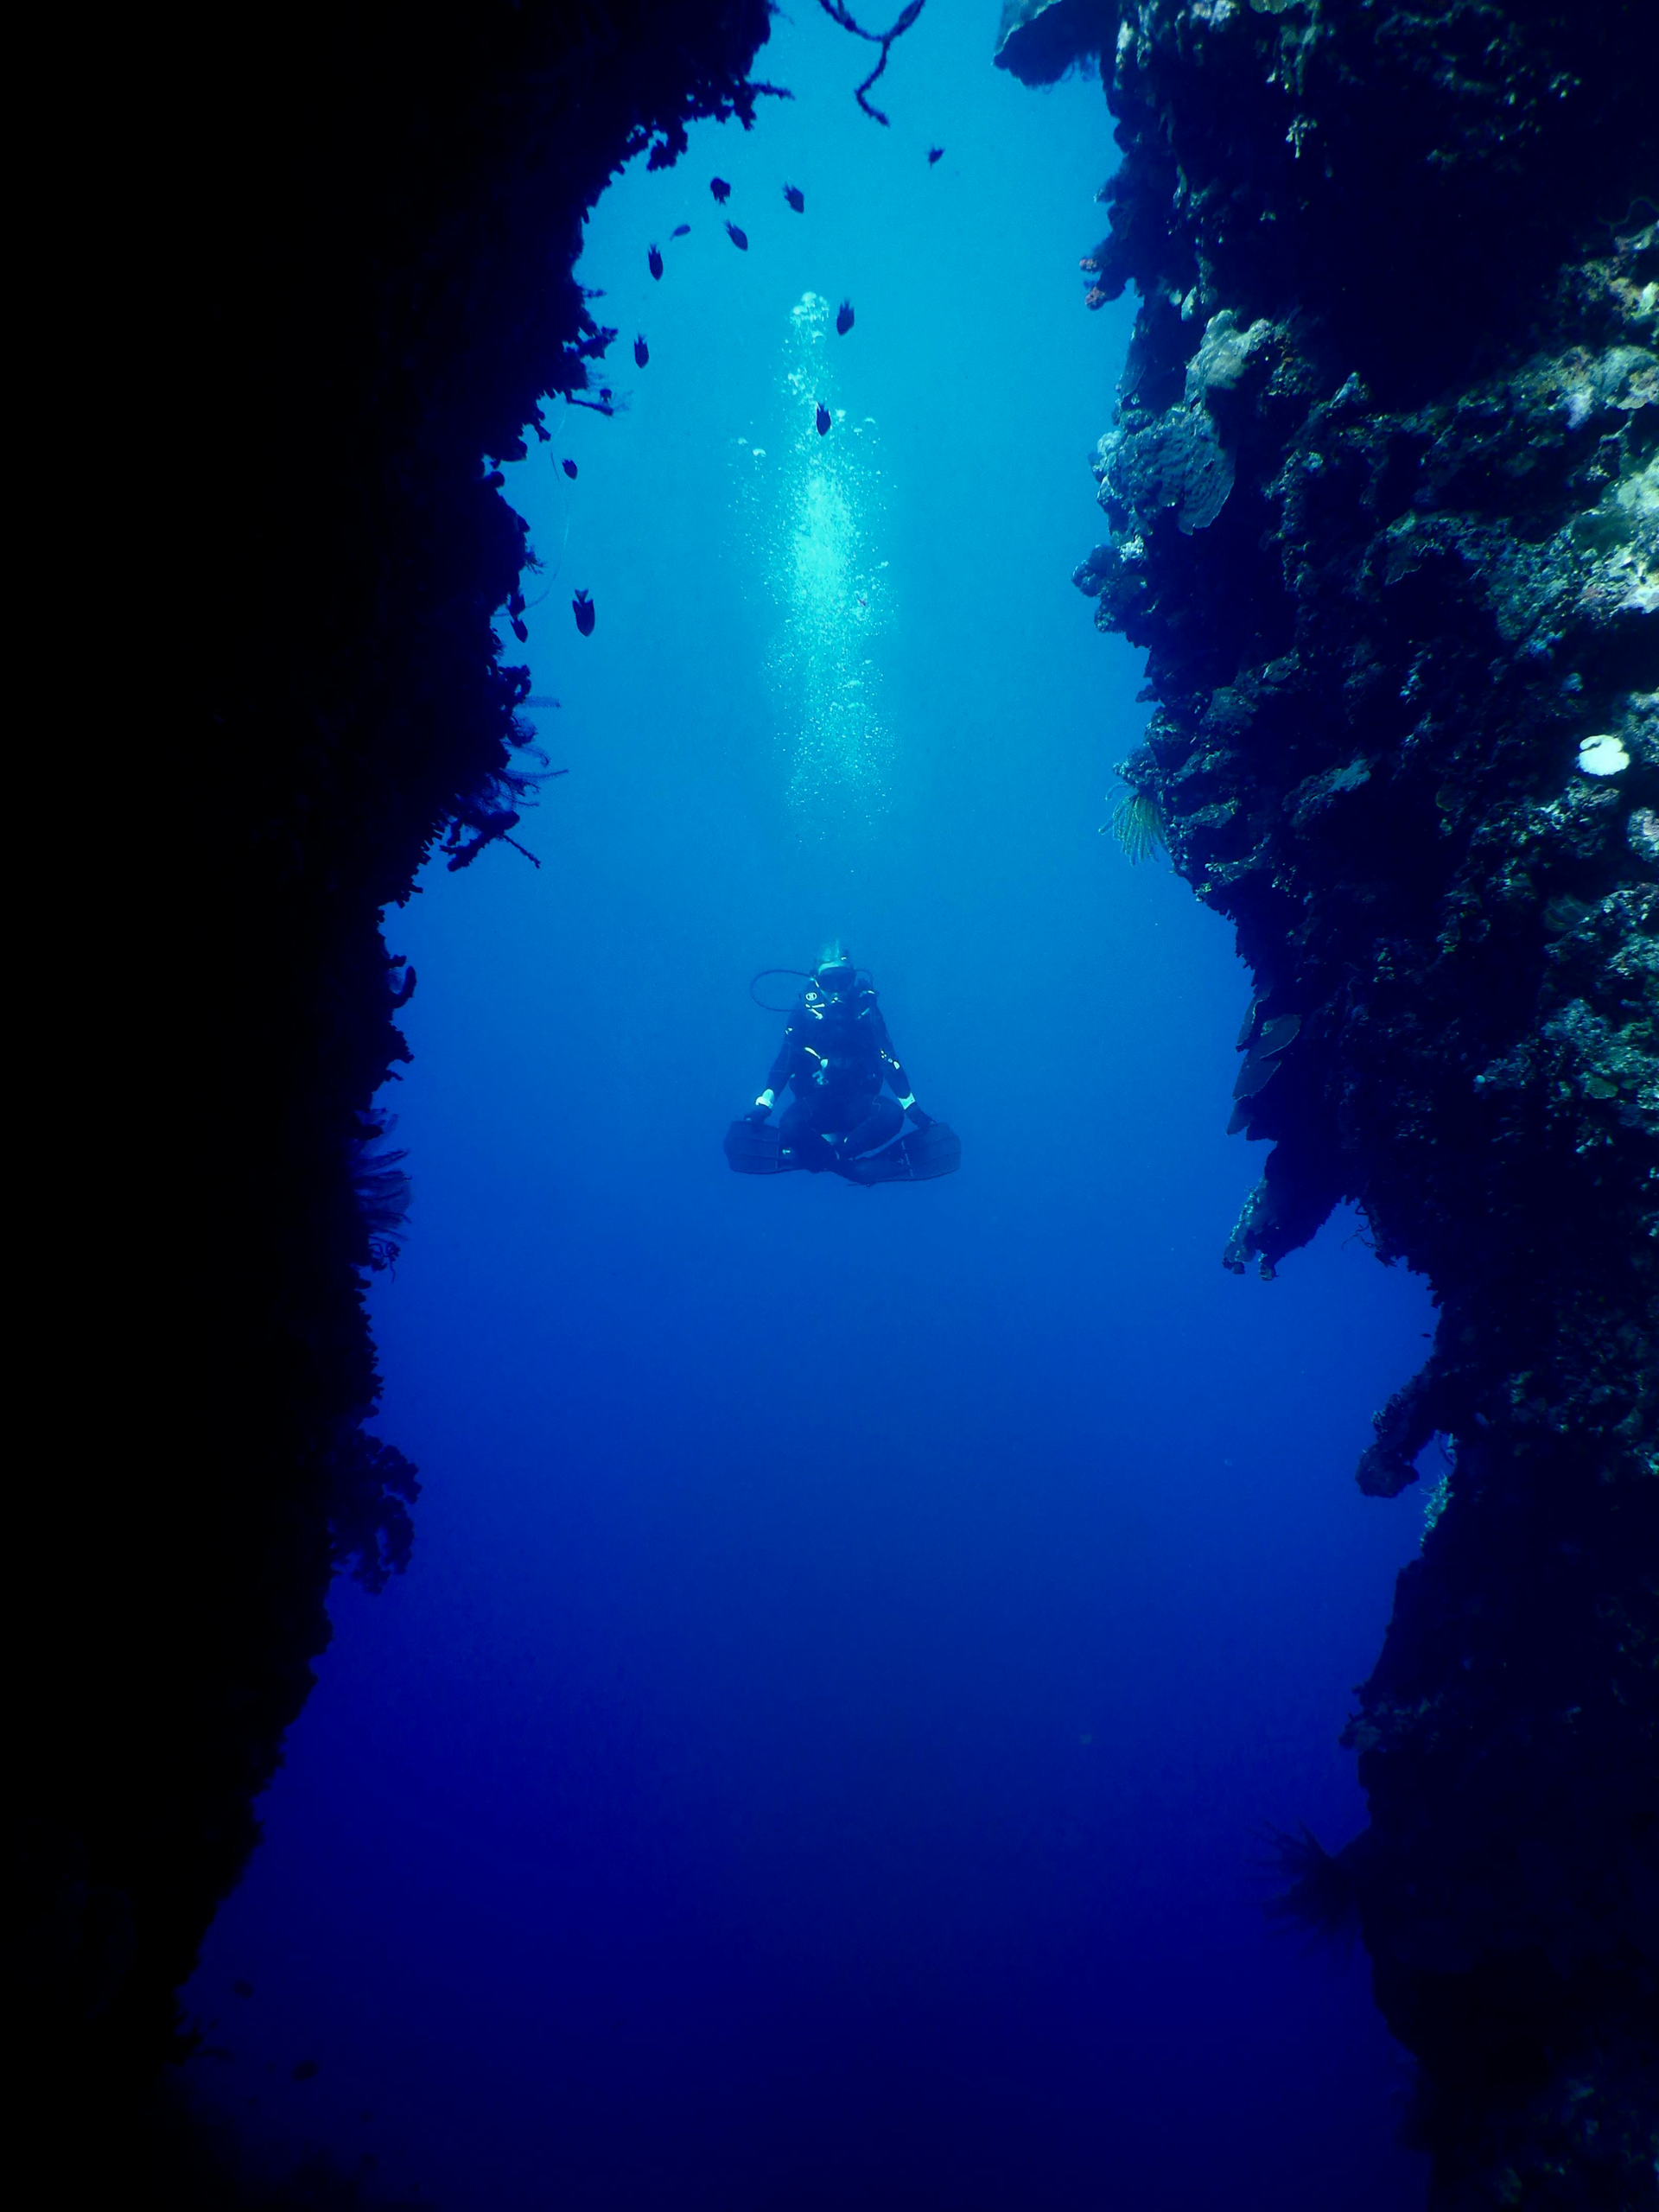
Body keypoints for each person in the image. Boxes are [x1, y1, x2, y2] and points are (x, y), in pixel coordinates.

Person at [746, 949, 933, 1171]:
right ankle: (840, 1161)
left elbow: (887, 1057)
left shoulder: (866, 1010)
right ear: (816, 981)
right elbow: (785, 1061)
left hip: (857, 1106)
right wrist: (763, 1106)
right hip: (816, 1105)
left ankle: (825, 1156)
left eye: (843, 980)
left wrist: (913, 1110)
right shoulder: (803, 1013)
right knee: (790, 1126)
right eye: (828, 981)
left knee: (891, 1116)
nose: (836, 991)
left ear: (852, 981)